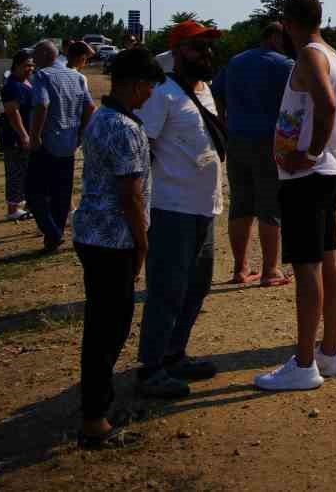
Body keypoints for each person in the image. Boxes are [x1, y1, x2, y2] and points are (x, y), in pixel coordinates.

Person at [255, 0, 336, 392]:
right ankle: (330, 353)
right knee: (329, 258)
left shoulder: (310, 56)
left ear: (286, 23)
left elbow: (331, 103)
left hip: (308, 178)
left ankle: (304, 364)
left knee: (306, 268)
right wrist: (330, 145)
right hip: (328, 173)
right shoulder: (333, 54)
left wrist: (313, 150)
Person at [70, 48, 165, 450]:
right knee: (107, 330)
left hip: (95, 235)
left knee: (104, 326)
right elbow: (131, 195)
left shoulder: (102, 118)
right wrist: (143, 243)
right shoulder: (124, 128)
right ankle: (94, 421)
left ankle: (99, 409)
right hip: (112, 240)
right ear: (135, 84)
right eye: (148, 88)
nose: (149, 97)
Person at [135, 21, 228, 400]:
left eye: (208, 47)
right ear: (177, 53)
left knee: (197, 285)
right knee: (166, 289)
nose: (205, 53)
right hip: (170, 208)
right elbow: (143, 148)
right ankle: (151, 367)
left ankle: (174, 353)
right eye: (196, 47)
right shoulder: (162, 94)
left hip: (205, 207)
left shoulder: (205, 91)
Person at [212, 22, 293, 286]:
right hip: (269, 142)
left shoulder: (236, 62)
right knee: (270, 206)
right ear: (273, 37)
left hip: (237, 139)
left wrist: (224, 119)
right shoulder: (285, 65)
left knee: (241, 203)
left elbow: (217, 92)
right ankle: (270, 271)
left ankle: (240, 269)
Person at [27, 39, 96, 252]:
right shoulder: (78, 77)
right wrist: (80, 133)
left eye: (35, 56)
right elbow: (90, 107)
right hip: (69, 144)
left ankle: (53, 232)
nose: (32, 60)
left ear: (45, 57)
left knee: (33, 192)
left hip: (47, 143)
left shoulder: (42, 76)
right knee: (61, 194)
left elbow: (42, 104)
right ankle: (52, 239)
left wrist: (35, 136)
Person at [0, 50, 37, 221]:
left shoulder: (27, 83)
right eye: (26, 65)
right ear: (16, 66)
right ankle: (12, 209)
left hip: (27, 135)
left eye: (31, 65)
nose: (30, 68)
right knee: (15, 173)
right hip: (15, 138)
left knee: (28, 172)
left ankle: (29, 204)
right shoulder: (12, 86)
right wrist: (23, 135)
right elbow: (12, 113)